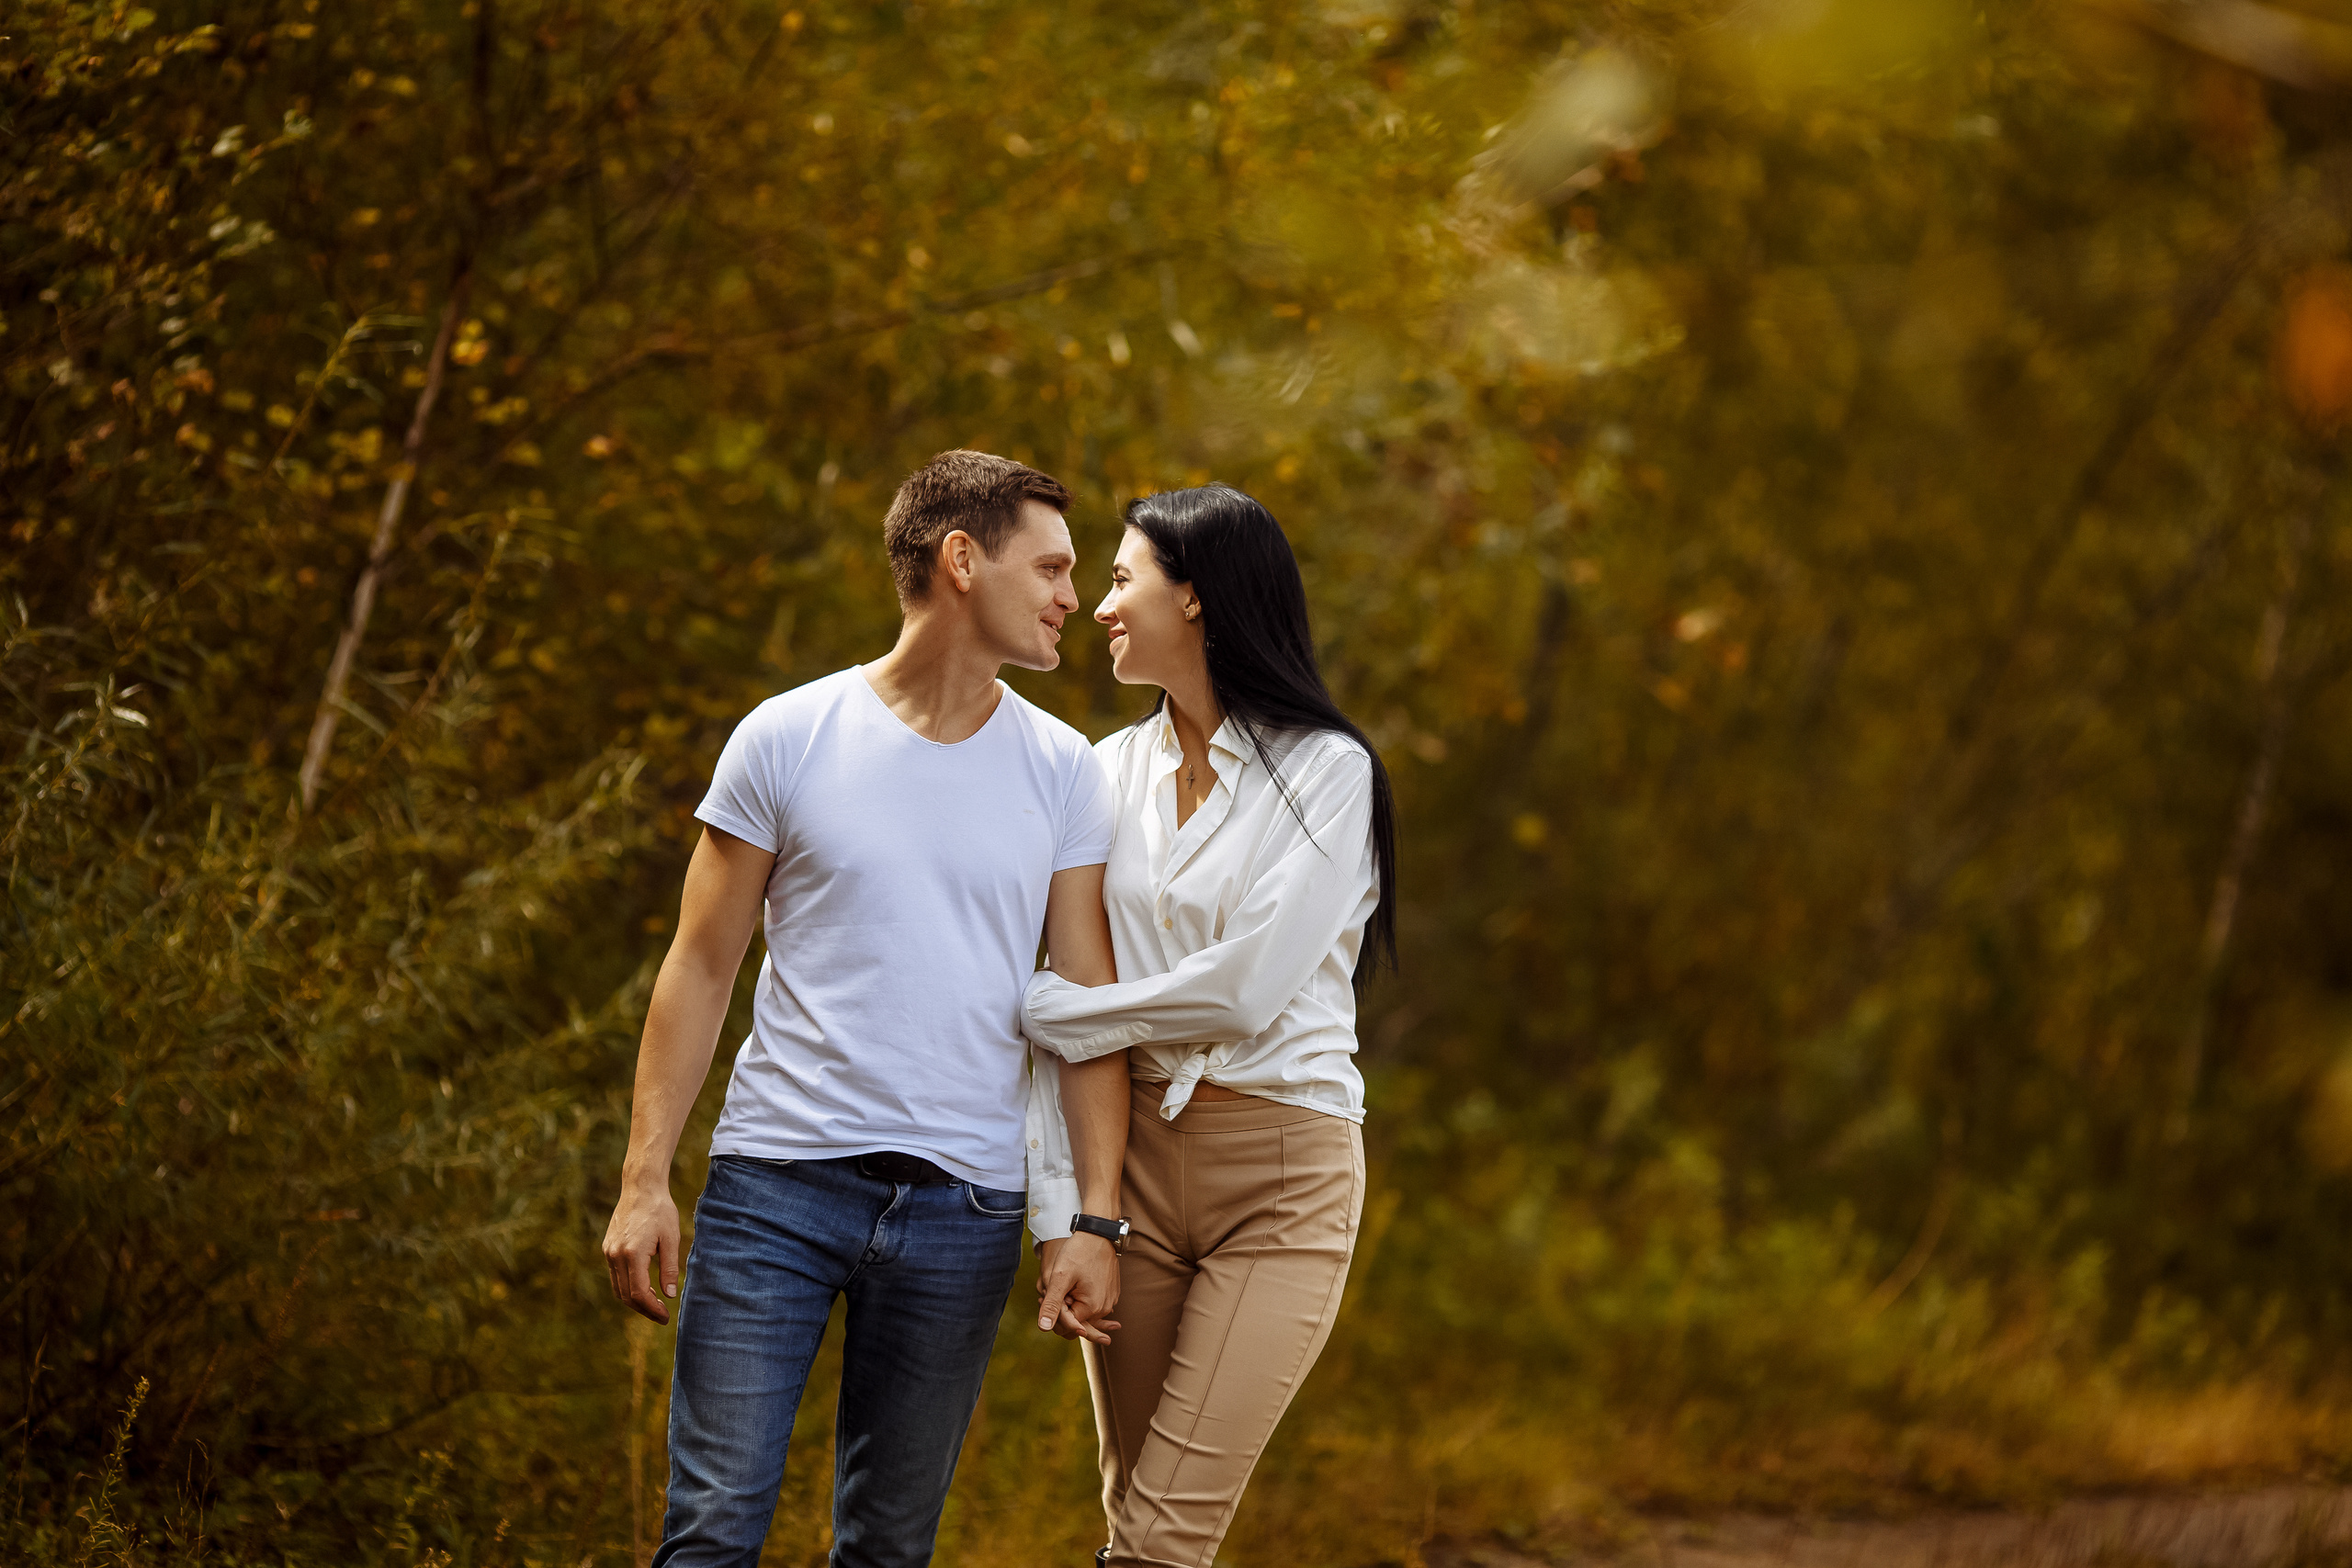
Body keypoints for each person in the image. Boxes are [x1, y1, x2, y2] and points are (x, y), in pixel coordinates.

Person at [600, 449, 1137, 1568]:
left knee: (889, 1551)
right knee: (711, 1532)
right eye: (1049, 568)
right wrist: (645, 1181)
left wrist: (1091, 1219)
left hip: (965, 1212)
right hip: (774, 1190)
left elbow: (1086, 1009)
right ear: (960, 561)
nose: (1071, 599)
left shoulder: (1064, 770)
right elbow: (699, 967)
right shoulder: (786, 735)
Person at [1022, 483, 1399, 1568]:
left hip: (1279, 1175)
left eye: (1120, 579)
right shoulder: (1099, 775)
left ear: (1193, 596)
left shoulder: (1328, 773)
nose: (1098, 606)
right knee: (1133, 1508)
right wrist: (1071, 1216)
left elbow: (1243, 990)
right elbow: (1071, 1013)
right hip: (1132, 1168)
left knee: (1161, 1536)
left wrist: (1068, 1013)